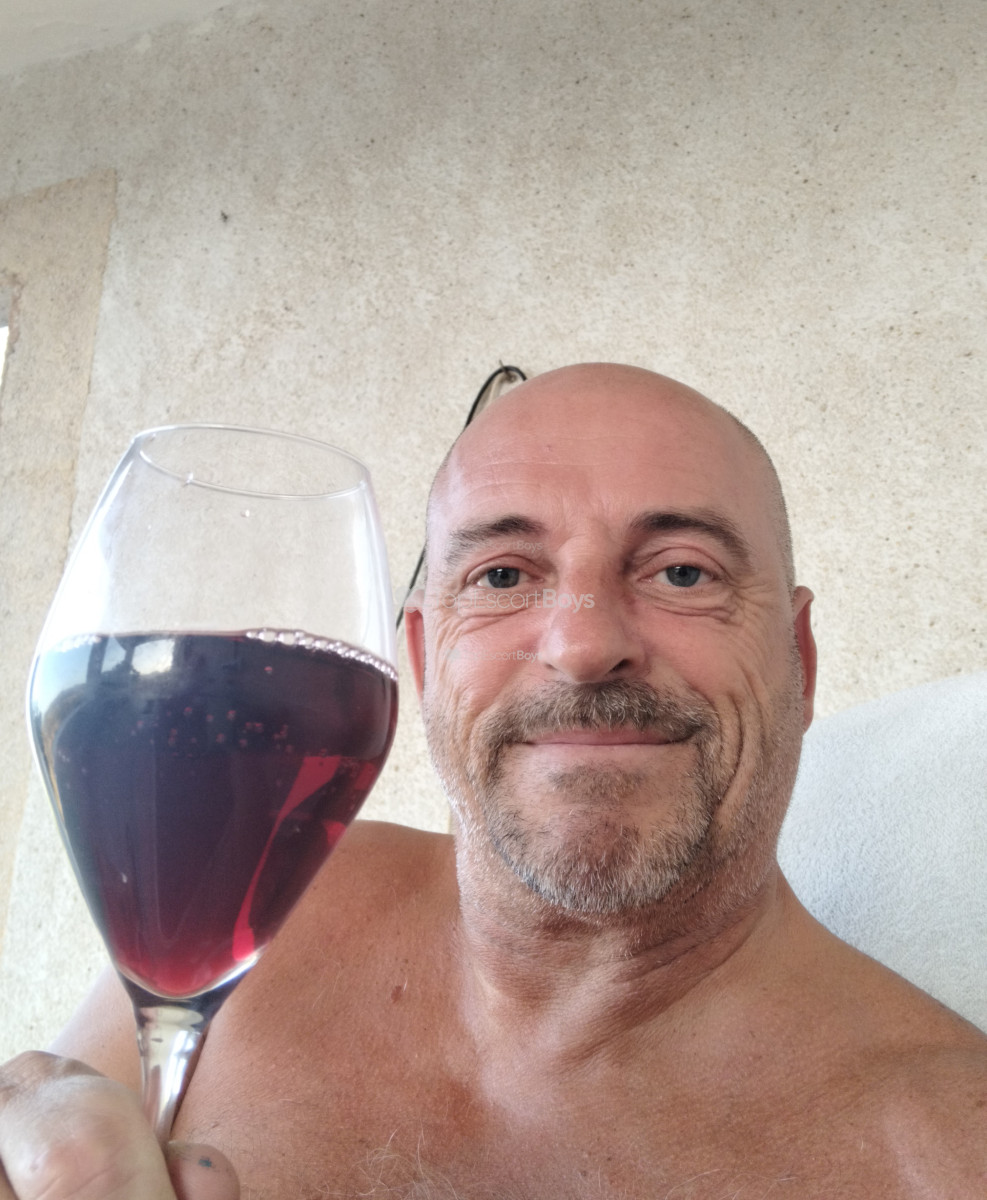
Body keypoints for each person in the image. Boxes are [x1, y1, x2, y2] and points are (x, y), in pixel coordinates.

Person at [1, 363, 985, 1200]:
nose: (584, 646)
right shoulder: (261, 909)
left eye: (683, 573)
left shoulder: (950, 1154)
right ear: (424, 665)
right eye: (503, 577)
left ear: (798, 661)